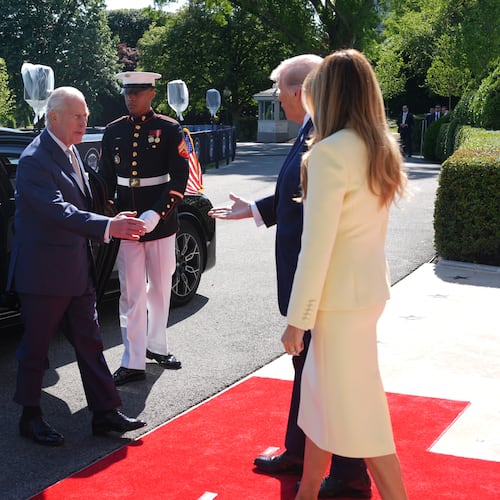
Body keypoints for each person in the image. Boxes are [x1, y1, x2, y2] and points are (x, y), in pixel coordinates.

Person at [209, 55, 372, 498]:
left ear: (301, 91)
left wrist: (300, 312)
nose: (278, 101)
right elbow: (296, 194)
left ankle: (349, 475)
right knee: (308, 374)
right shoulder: (318, 131)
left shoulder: (330, 141)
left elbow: (318, 223)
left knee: (330, 382)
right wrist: (257, 210)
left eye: (281, 91)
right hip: (314, 282)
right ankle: (301, 451)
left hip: (323, 286)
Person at [281, 49, 408, 500]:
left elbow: (317, 247)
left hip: (337, 303)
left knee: (359, 413)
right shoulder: (379, 147)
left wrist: (298, 319)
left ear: (328, 95)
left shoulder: (329, 154)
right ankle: (308, 491)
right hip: (364, 294)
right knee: (320, 401)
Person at [7, 86, 148, 446]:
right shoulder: (35, 159)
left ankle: (104, 413)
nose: (84, 122)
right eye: (77, 116)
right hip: (43, 273)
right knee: (36, 348)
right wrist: (107, 227)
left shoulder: (69, 151)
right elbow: (58, 211)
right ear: (53, 117)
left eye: (86, 116)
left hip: (74, 268)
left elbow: (82, 204)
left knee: (90, 341)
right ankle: (30, 416)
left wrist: (112, 218)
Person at [100, 71, 189, 386]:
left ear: (152, 93)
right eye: (127, 92)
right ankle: (132, 359)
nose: (131, 98)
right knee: (132, 293)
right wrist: (111, 212)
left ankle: (157, 346)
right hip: (127, 223)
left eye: (137, 92)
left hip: (160, 223)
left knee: (160, 289)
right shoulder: (113, 131)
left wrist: (157, 213)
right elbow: (106, 179)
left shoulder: (168, 128)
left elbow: (179, 179)